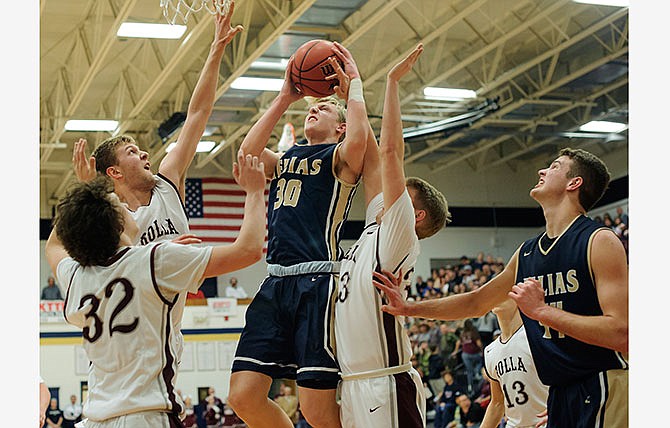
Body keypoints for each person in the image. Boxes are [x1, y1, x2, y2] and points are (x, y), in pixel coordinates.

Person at [374, 147, 629, 428]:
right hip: (560, 393)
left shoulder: (599, 240)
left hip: (603, 383)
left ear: (574, 183)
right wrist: (408, 307)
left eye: (554, 166)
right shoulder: (527, 253)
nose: (542, 171)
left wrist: (542, 312)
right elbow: (475, 302)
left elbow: (622, 333)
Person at [71, 2, 244, 376]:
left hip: (169, 333)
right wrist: (89, 190)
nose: (145, 152)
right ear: (114, 172)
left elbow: (197, 113)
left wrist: (215, 49)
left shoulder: (168, 181)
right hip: (125, 339)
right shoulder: (113, 217)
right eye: (132, 151)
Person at [44, 149, 266, 426]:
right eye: (118, 205)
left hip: (94, 418)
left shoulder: (77, 276)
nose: (125, 206)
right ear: (115, 225)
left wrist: (86, 195)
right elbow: (248, 250)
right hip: (147, 415)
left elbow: (54, 245)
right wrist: (256, 192)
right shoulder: (154, 259)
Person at [227, 40, 370, 428]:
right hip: (275, 283)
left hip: (317, 283)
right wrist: (283, 98)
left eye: (322, 107)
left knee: (316, 411)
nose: (313, 108)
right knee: (242, 396)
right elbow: (248, 154)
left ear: (340, 126)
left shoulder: (339, 158)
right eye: (312, 106)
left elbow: (359, 141)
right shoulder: (287, 157)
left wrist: (353, 86)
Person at [334, 43, 451, 428]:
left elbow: (388, 153)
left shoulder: (400, 234)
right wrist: (353, 91)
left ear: (414, 214)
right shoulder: (375, 228)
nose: (388, 189)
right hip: (354, 383)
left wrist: (390, 83)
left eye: (400, 194)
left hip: (384, 382)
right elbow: (370, 156)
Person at [480, 298, 548, 428]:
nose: (496, 296)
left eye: (502, 292)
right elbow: (497, 403)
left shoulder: (539, 335)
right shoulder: (490, 351)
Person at [451, 319, 483, 395]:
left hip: (465, 354)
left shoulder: (463, 333)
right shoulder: (473, 332)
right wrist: (482, 350)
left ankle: (470, 386)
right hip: (474, 353)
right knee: (480, 361)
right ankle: (477, 372)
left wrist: (455, 351)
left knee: (469, 371)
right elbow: (479, 343)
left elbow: (458, 342)